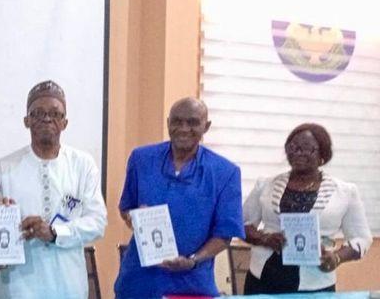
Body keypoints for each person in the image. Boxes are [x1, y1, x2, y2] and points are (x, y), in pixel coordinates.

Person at [114, 97, 244, 298]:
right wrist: (134, 218)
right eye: (177, 121)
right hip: (139, 280)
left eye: (192, 122)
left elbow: (224, 234)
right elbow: (126, 208)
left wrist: (193, 260)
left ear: (206, 126)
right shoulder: (141, 159)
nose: (184, 129)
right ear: (168, 123)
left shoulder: (225, 172)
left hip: (191, 283)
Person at [0, 81, 107, 299]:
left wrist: (54, 233)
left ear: (65, 122)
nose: (46, 119)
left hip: (67, 287)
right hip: (15, 288)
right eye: (38, 113)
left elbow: (97, 223)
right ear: (26, 121)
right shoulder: (5, 167)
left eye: (55, 114)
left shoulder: (82, 165)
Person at [242, 123, 372, 294]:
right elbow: (241, 225)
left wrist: (337, 258)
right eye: (293, 147)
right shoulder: (265, 185)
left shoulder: (345, 192)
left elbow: (362, 238)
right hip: (263, 277)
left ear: (323, 155)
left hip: (316, 281)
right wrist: (264, 238)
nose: (298, 153)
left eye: (308, 149)